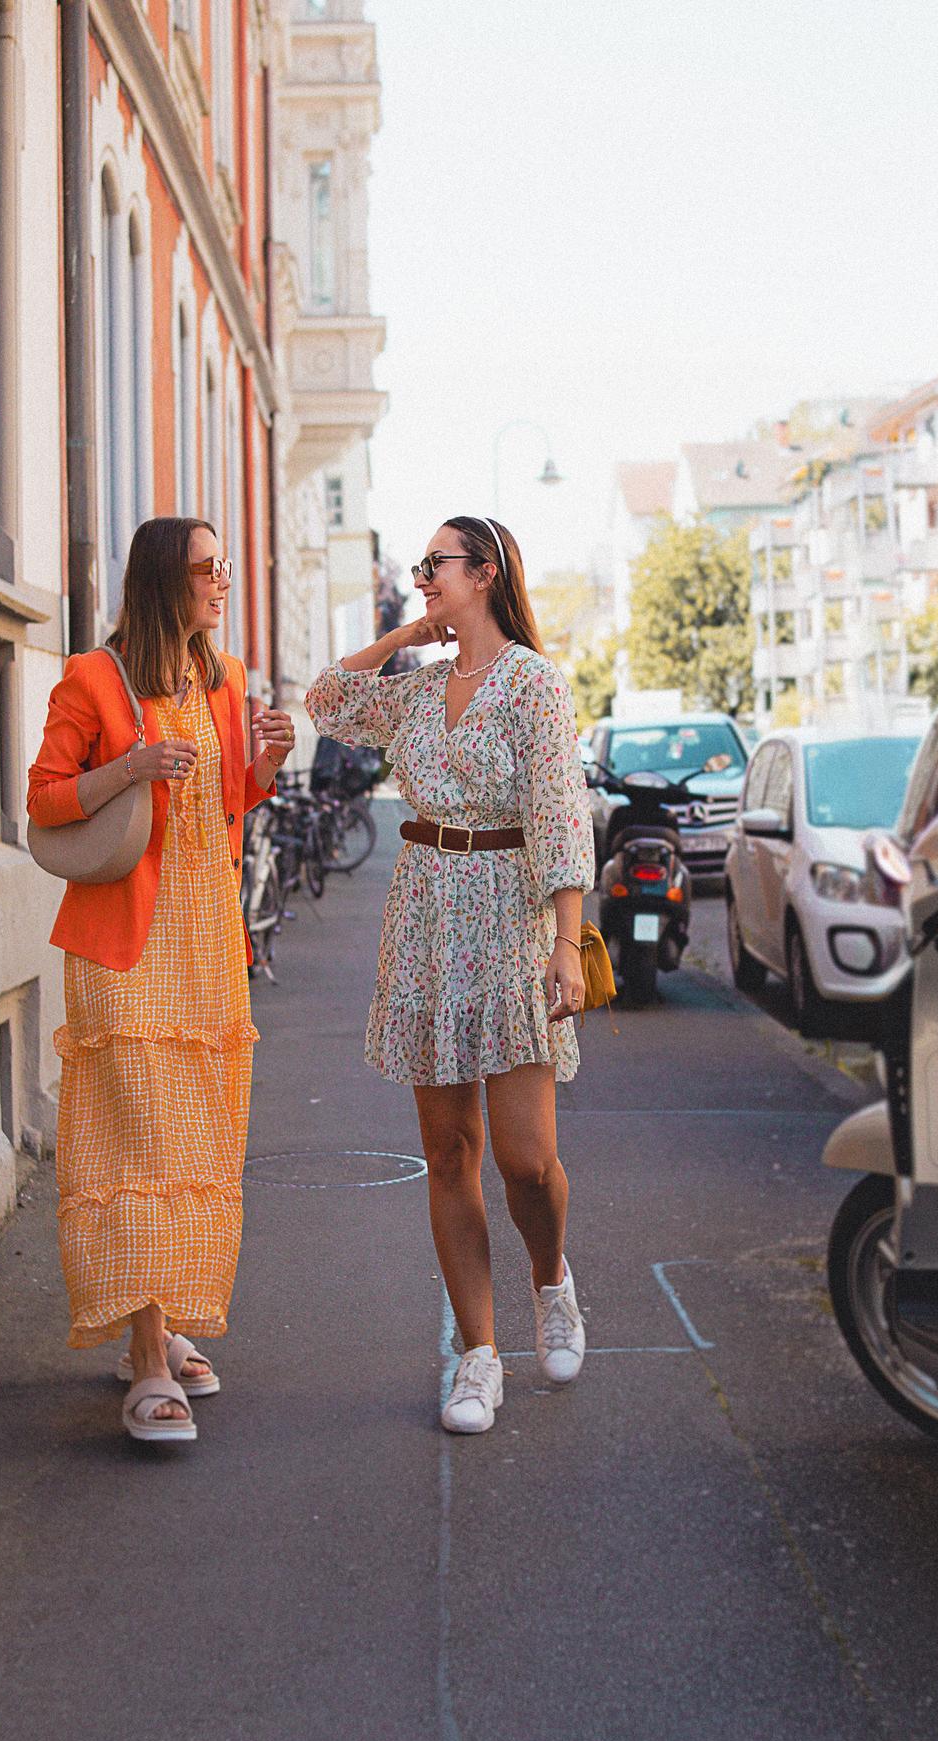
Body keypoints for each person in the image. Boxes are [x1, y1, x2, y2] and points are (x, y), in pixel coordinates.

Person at [305, 516, 595, 1435]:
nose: (424, 576)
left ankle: (552, 1280)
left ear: (486, 574)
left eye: (437, 565)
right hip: (427, 920)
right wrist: (401, 636)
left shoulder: (534, 686)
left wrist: (565, 942)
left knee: (524, 1156)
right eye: (423, 565)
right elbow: (325, 701)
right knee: (449, 1152)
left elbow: (560, 814)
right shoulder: (418, 691)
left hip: (510, 921)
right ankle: (478, 1355)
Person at [27, 518, 294, 1444]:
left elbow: (227, 804)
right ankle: (144, 1360)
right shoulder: (92, 679)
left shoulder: (222, 681)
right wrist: (129, 766)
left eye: (225, 565)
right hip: (126, 949)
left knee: (192, 1142)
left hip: (208, 940)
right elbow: (45, 800)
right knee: (135, 1141)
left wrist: (265, 762)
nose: (223, 581)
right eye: (206, 569)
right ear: (160, 583)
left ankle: (166, 1321)